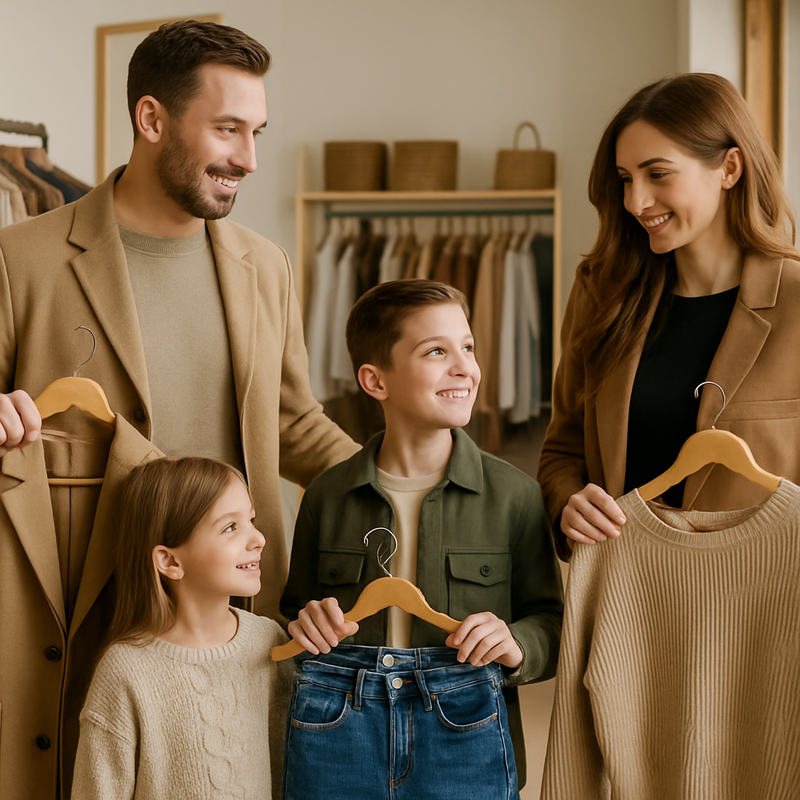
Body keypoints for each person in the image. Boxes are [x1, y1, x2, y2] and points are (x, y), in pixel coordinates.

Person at [0, 18, 357, 800]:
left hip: (228, 624)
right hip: (80, 602)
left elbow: (294, 424)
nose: (248, 159)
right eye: (227, 128)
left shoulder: (266, 267)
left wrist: (412, 481)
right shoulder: (20, 258)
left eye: (257, 131)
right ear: (151, 119)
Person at [280, 279, 563, 798]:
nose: (464, 367)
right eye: (436, 351)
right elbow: (292, 619)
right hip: (341, 738)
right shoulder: (325, 495)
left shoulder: (516, 496)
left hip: (467, 739)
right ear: (375, 381)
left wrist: (516, 643)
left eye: (469, 347)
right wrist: (305, 627)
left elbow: (552, 623)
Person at [537, 72, 800, 559]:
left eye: (657, 174)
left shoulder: (796, 302)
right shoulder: (601, 293)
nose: (635, 202)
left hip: (764, 606)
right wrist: (567, 503)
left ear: (730, 168)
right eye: (625, 179)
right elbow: (562, 451)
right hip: (626, 595)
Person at [71, 456, 292, 799]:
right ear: (170, 561)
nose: (258, 538)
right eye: (230, 527)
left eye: (251, 520)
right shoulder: (126, 671)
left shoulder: (271, 643)